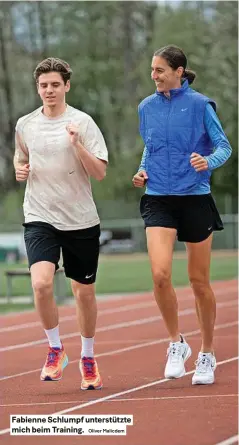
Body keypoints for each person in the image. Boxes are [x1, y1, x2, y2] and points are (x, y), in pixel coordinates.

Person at [133, 45, 232, 385]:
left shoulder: (201, 105)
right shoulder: (146, 107)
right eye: (152, 69)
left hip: (194, 198)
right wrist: (142, 170)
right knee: (160, 275)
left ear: (178, 71)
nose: (154, 75)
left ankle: (206, 352)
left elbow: (224, 146)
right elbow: (151, 144)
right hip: (158, 196)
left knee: (198, 282)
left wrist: (209, 162)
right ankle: (177, 343)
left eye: (159, 69)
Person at [14, 57, 108, 390]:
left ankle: (87, 356)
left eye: (55, 84)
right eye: (44, 85)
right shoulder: (25, 124)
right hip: (40, 215)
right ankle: (55, 349)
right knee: (40, 284)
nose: (49, 90)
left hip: (80, 219)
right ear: (37, 88)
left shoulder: (82, 122)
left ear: (66, 86)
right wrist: (19, 168)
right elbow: (21, 155)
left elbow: (99, 172)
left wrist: (77, 145)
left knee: (83, 293)